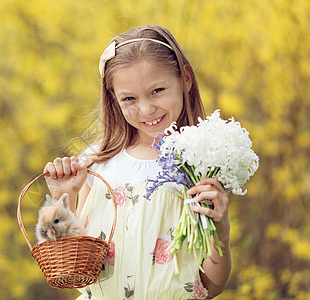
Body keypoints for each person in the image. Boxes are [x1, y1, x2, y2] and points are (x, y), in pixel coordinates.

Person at [43, 25, 231, 299]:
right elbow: (75, 274)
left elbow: (212, 285)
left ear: (186, 78)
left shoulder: (198, 165)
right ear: (114, 100)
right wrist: (64, 198)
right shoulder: (96, 165)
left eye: (157, 90)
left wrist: (221, 235)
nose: (146, 109)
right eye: (129, 98)